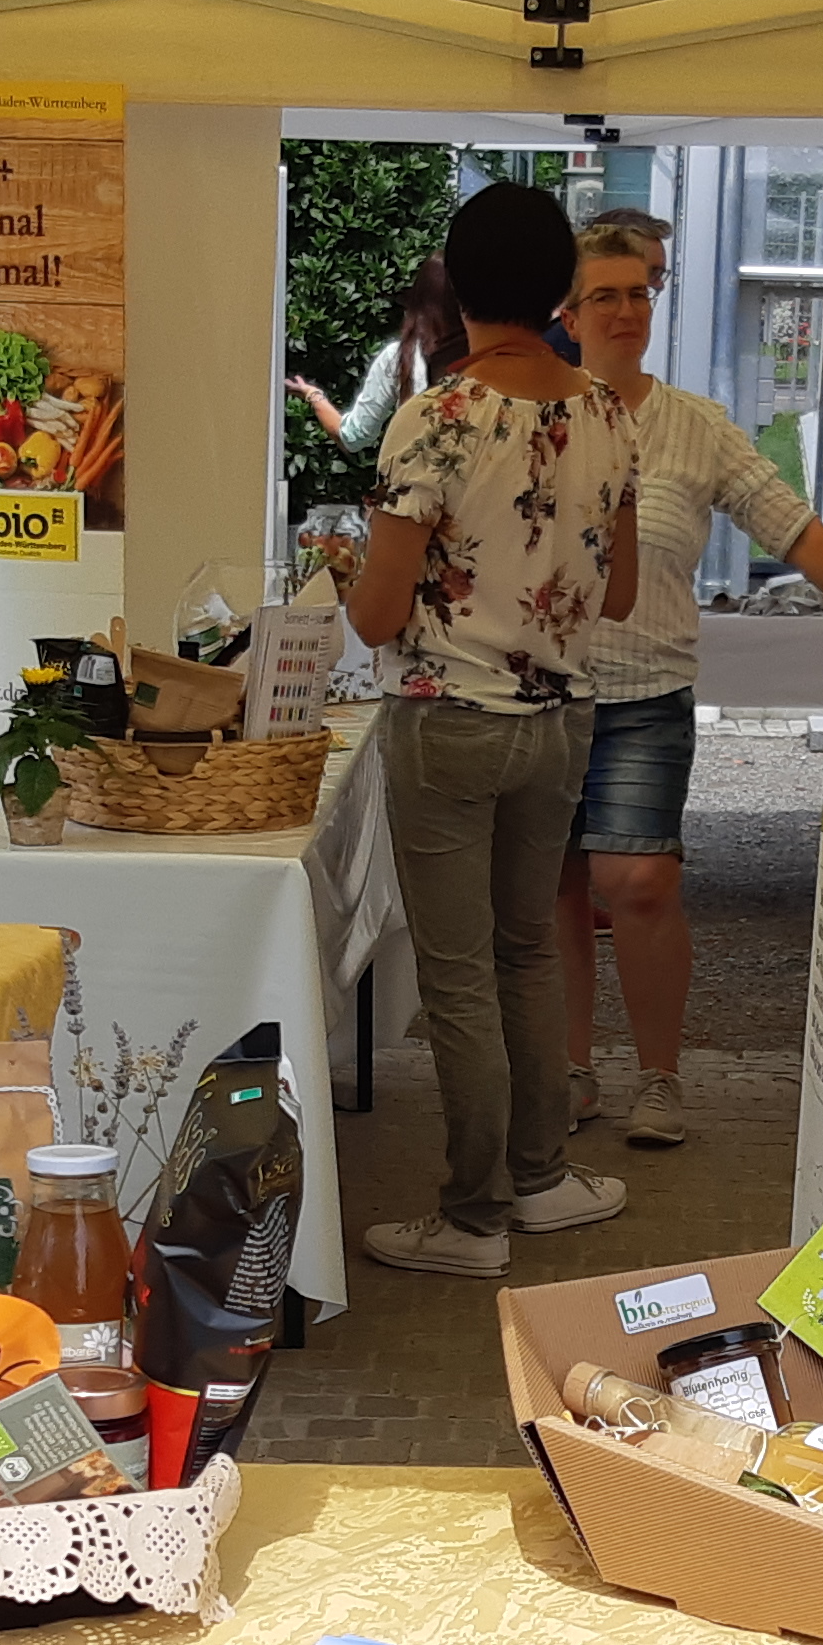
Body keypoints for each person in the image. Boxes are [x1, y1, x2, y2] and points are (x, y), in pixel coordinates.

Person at [348, 182, 643, 1278]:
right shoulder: (610, 414)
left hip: (447, 720)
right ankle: (540, 1177)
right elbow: (614, 598)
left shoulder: (437, 417)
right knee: (528, 953)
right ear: (561, 288)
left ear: (458, 286)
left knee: (458, 974)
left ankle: (473, 1220)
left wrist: (360, 578)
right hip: (562, 725)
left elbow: (378, 615)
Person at [552, 210, 823, 1151]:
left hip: (645, 695)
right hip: (543, 690)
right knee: (553, 889)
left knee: (637, 881)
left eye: (642, 292)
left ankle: (660, 1074)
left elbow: (791, 525)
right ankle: (570, 1068)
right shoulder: (537, 417)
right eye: (607, 295)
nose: (628, 310)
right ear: (570, 307)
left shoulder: (694, 426)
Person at [289, 248, 461, 458]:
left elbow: (352, 436)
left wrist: (312, 394)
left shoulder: (399, 357)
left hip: (417, 486)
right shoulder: (493, 359)